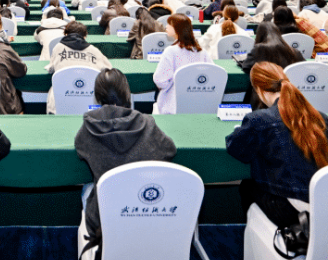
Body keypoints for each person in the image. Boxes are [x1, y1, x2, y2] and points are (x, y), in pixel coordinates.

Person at [74, 68, 176, 255]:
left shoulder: (88, 128)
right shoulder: (148, 123)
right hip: (145, 213)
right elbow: (169, 150)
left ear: (97, 97)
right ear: (127, 94)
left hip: (103, 219)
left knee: (88, 188)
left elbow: (81, 150)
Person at [226, 62, 328, 228]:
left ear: (259, 90)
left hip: (289, 210)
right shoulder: (320, 117)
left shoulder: (259, 119)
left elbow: (236, 149)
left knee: (247, 186)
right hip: (325, 203)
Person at [46, 21, 113, 114]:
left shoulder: (58, 48)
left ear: (65, 34)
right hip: (92, 102)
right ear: (85, 36)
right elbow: (109, 69)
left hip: (60, 101)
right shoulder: (94, 50)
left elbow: (51, 68)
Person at [152, 14, 212, 114]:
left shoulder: (170, 51)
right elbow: (212, 75)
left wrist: (171, 86)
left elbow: (160, 80)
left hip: (173, 106)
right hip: (199, 104)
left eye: (169, 24)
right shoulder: (202, 52)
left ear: (177, 29)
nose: (166, 26)